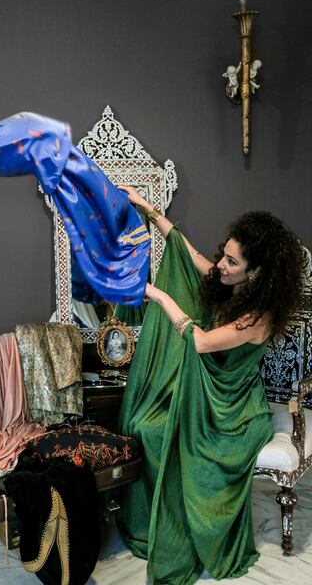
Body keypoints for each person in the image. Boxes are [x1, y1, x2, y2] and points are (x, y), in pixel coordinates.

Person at [116, 186, 304, 585]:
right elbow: (190, 254)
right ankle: (154, 522)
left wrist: (157, 294)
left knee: (175, 441)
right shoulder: (231, 283)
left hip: (235, 413)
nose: (221, 264)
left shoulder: (258, 316)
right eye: (224, 254)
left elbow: (200, 342)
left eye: (232, 261)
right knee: (146, 427)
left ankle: (193, 530)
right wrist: (148, 208)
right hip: (208, 394)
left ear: (256, 273)